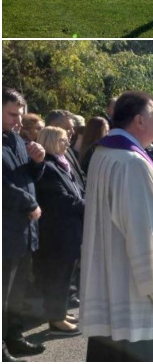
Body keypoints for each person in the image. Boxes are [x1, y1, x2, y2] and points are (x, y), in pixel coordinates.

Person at [81, 92, 153, 361]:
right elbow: (143, 228)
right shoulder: (132, 163)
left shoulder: (106, 152)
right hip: (135, 287)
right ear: (138, 121)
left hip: (114, 269)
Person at [2, 88, 46, 362]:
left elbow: (27, 177)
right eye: (11, 114)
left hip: (23, 231)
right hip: (5, 230)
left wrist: (38, 162)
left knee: (16, 291)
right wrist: (29, 204)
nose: (18, 121)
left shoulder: (15, 140)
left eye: (19, 114)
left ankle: (14, 337)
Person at [31, 126, 83, 337]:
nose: (67, 144)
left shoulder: (61, 164)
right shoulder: (49, 167)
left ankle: (60, 312)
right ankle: (56, 319)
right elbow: (62, 200)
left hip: (68, 230)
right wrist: (89, 205)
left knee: (65, 275)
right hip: (56, 232)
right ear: (52, 141)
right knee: (57, 276)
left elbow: (76, 190)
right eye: (62, 140)